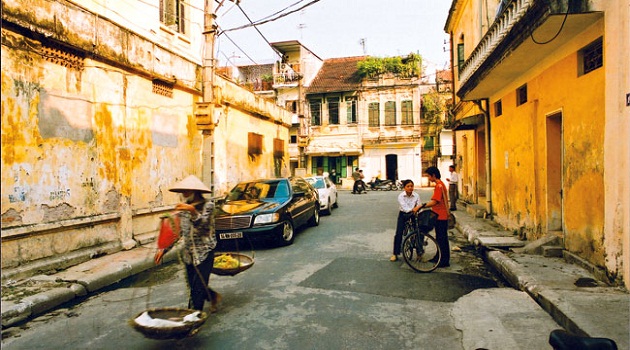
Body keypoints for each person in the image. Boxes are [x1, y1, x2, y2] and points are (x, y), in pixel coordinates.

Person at [169, 175, 222, 312]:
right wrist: (164, 249)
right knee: (195, 285)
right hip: (189, 254)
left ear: (195, 191)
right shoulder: (183, 209)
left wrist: (192, 211)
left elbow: (203, 227)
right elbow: (179, 231)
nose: (184, 194)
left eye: (186, 191)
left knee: (197, 291)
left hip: (204, 253)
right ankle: (212, 296)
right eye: (182, 192)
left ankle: (192, 320)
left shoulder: (208, 206)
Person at [421, 166, 450, 267]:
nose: (428, 178)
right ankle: (439, 257)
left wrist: (422, 206)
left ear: (433, 175)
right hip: (440, 215)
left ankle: (444, 260)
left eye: (429, 176)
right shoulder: (440, 185)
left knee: (441, 239)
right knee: (440, 238)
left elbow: (435, 201)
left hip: (440, 216)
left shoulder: (439, 186)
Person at [390, 179, 423, 262]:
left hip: (414, 214)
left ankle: (419, 253)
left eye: (411, 186)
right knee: (399, 233)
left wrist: (417, 212)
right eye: (408, 186)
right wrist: (413, 210)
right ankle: (395, 253)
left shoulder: (416, 195)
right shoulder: (401, 196)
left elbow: (419, 205)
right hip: (404, 214)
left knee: (419, 232)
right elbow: (404, 207)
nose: (410, 188)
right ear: (404, 188)